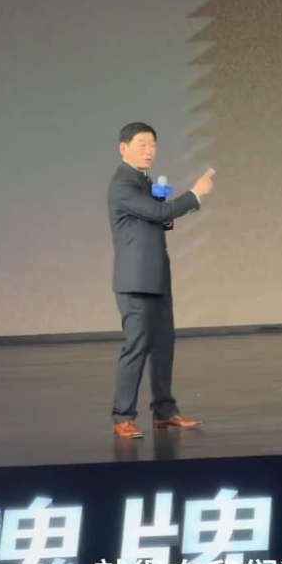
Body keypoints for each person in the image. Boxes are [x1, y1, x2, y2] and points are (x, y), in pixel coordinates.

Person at [108, 122, 215, 439]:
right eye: (141, 144)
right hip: (135, 280)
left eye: (152, 144)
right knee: (136, 346)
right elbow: (157, 213)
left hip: (155, 276)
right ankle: (123, 416)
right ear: (123, 148)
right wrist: (195, 194)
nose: (149, 150)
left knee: (164, 344)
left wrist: (164, 215)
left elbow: (154, 217)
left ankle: (164, 412)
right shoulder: (123, 184)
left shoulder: (144, 182)